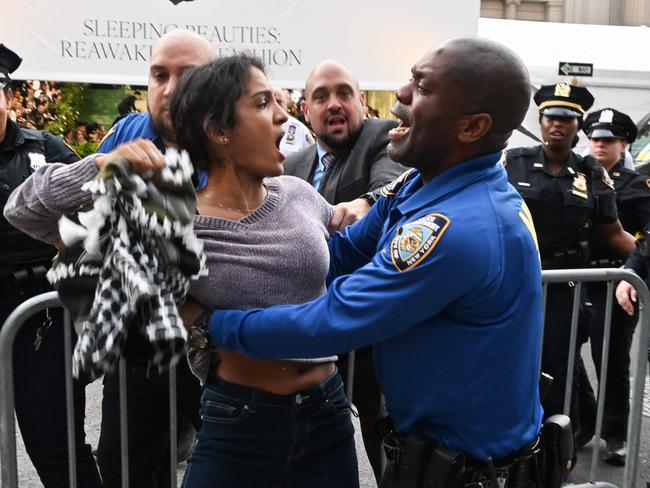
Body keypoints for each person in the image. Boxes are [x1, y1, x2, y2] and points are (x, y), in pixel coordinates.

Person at [201, 38, 545, 487]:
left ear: (472, 127)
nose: (400, 94)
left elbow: (335, 318)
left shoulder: (461, 227)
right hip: (432, 457)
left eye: (421, 88)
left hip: (469, 472)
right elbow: (339, 256)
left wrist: (214, 325)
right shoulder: (422, 187)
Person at [7, 54, 361, 488]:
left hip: (328, 412)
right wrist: (100, 164)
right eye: (264, 103)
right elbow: (24, 210)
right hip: (240, 421)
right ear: (219, 131)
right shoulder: (171, 222)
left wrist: (371, 205)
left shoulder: (297, 192)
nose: (284, 116)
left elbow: (345, 228)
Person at [6, 29, 213, 488]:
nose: (171, 89)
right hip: (138, 348)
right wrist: (81, 239)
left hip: (216, 346)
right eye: (159, 75)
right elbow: (28, 210)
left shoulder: (238, 138)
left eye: (188, 75)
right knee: (125, 468)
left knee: (227, 466)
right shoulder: (129, 132)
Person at [282, 59, 407, 479]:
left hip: (369, 334)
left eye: (344, 93)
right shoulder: (292, 165)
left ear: (362, 102)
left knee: (385, 442)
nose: (334, 104)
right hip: (309, 334)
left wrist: (366, 204)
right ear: (305, 109)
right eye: (321, 96)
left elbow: (388, 182)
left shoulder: (380, 136)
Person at [504, 84, 636, 442]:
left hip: (565, 290)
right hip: (513, 283)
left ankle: (554, 454)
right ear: (541, 122)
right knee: (509, 364)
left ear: (578, 126)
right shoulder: (512, 161)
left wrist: (640, 262)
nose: (557, 125)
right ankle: (509, 446)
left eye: (567, 119)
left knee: (558, 371)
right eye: (551, 118)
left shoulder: (592, 173)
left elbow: (612, 232)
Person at [0, 44, 102, 487]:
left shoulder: (46, 150)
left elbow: (95, 222)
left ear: (8, 97)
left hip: (40, 319)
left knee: (59, 450)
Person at [580, 108, 650, 465]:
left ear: (623, 144)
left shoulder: (638, 186)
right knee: (559, 353)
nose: (599, 145)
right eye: (594, 138)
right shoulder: (577, 175)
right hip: (574, 278)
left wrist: (631, 271)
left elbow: (646, 239)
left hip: (616, 282)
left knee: (610, 361)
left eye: (607, 140)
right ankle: (579, 419)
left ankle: (615, 434)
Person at [272, 86, 315, 156]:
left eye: (279, 102)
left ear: (286, 105)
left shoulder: (300, 129)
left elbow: (312, 157)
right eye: (271, 102)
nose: (275, 106)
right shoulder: (256, 126)